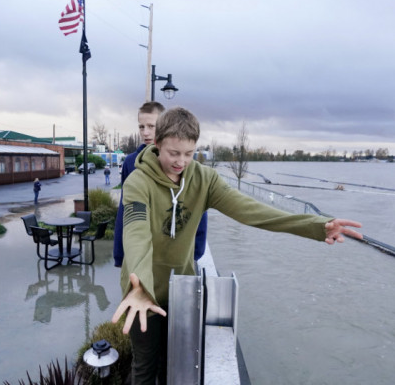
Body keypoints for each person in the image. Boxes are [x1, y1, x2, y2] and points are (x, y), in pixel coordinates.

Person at [111, 107, 363, 384]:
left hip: (180, 288)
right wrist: (139, 286)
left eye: (189, 153)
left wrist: (315, 226)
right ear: (157, 144)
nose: (181, 161)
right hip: (140, 291)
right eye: (173, 153)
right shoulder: (137, 181)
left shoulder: (204, 180)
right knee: (145, 366)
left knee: (172, 363)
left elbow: (251, 211)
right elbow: (135, 234)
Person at [113, 101, 208, 268]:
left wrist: (196, 252)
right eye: (141, 127)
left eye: (152, 126)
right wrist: (120, 254)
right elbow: (125, 208)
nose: (146, 132)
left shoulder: (183, 162)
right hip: (142, 251)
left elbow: (197, 207)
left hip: (176, 252)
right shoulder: (131, 162)